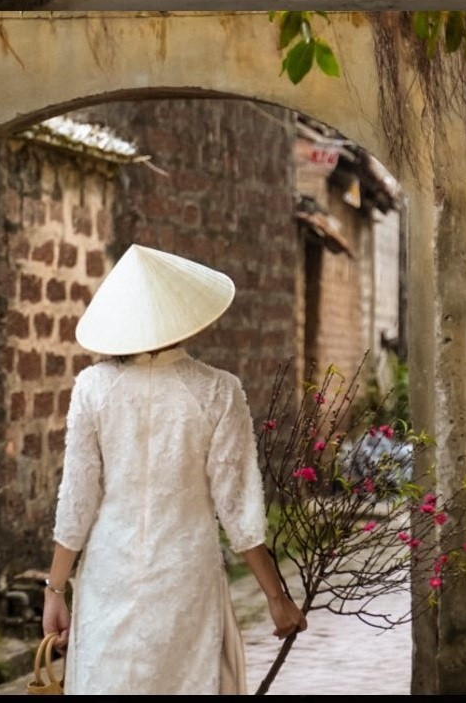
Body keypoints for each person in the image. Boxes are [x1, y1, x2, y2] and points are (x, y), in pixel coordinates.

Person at [40, 243, 307, 694]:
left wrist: (54, 590)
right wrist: (277, 599)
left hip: (109, 575)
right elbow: (239, 511)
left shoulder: (92, 389)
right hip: (184, 578)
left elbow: (77, 501)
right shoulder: (217, 392)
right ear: (183, 316)